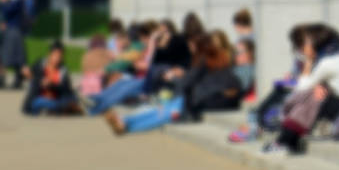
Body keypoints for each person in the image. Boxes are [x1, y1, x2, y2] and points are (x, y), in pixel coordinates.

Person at [262, 24, 339, 154]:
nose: (303, 49)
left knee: (310, 97)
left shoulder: (328, 62)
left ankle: (285, 139)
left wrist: (308, 62)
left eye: (305, 44)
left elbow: (303, 87)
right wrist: (318, 86)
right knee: (313, 96)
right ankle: (286, 138)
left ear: (315, 44)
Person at [103, 32, 250, 135]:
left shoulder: (206, 59)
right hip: (212, 98)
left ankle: (127, 123)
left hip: (206, 100)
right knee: (165, 109)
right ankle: (126, 122)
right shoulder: (221, 59)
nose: (190, 48)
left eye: (192, 45)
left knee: (166, 111)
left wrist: (175, 85)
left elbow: (188, 81)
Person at [21, 41, 80, 115]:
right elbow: (29, 76)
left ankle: (58, 109)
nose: (58, 59)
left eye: (60, 56)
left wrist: (51, 85)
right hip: (40, 98)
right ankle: (59, 109)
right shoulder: (40, 64)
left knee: (71, 98)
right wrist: (27, 73)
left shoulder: (63, 70)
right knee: (38, 102)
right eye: (56, 55)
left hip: (56, 100)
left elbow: (66, 88)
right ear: (50, 54)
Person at [0, 0, 27, 89]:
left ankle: (19, 78)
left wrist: (2, 2)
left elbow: (8, 11)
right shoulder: (12, 0)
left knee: (17, 55)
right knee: (14, 54)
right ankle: (18, 77)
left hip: (15, 30)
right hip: (10, 29)